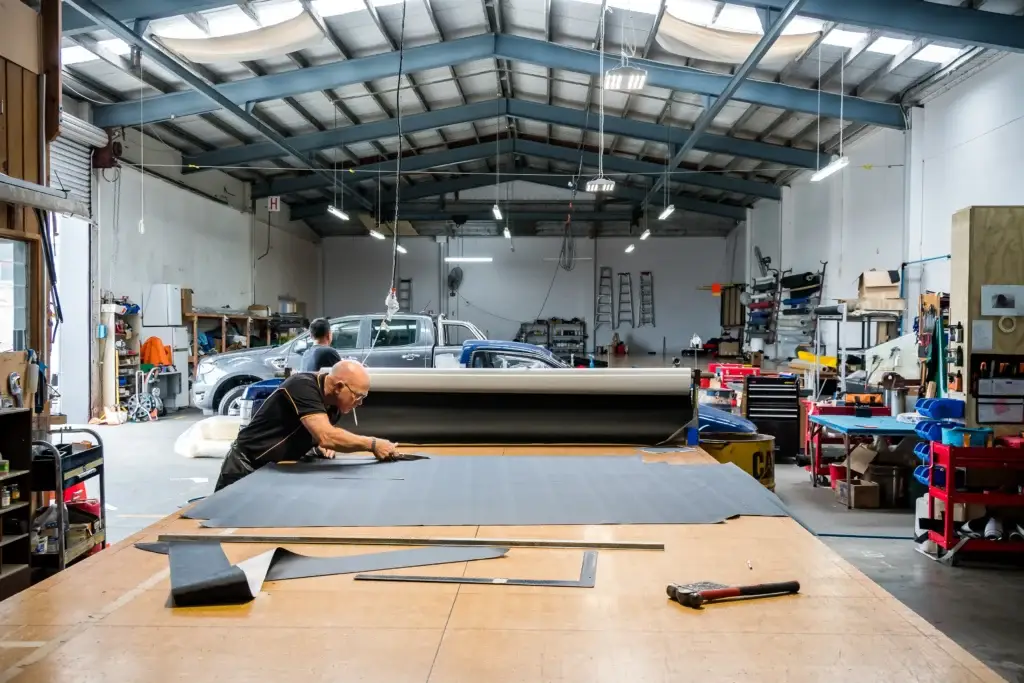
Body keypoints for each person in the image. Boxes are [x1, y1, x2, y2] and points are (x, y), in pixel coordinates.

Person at [214, 360, 398, 491]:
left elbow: (315, 433)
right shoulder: (302, 385)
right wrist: (373, 444)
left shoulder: (335, 406)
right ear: (339, 387)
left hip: (277, 469)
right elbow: (327, 436)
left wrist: (316, 444)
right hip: (245, 465)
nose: (360, 402)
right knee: (221, 521)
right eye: (358, 396)